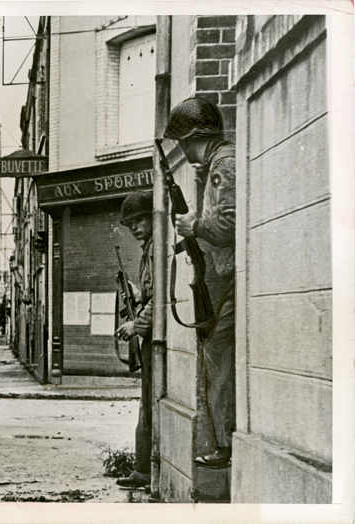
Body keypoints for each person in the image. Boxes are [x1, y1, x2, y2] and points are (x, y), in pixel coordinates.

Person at [165, 96, 236, 469]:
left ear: (197, 135)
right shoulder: (216, 165)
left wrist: (194, 226)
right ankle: (225, 443)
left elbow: (227, 226)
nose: (183, 149)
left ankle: (225, 447)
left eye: (184, 142)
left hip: (227, 279)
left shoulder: (223, 164)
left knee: (217, 358)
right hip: (221, 277)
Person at [114, 191, 154, 489]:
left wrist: (136, 325)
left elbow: (162, 296)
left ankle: (144, 470)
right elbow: (151, 296)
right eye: (131, 224)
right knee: (146, 405)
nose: (136, 227)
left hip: (151, 337)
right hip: (150, 338)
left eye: (140, 219)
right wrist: (137, 296)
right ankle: (143, 469)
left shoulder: (154, 249)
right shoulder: (149, 249)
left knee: (148, 406)